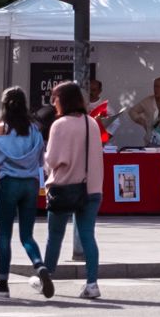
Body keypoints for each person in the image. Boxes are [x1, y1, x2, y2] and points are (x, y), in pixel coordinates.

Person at [39, 80, 106, 300]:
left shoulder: (59, 125)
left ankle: (46, 276)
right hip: (92, 187)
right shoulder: (92, 123)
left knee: (55, 235)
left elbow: (53, 160)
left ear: (63, 100)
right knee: (88, 235)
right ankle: (92, 283)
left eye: (55, 98)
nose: (53, 102)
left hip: (64, 187)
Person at [0, 88, 49, 299]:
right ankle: (39, 267)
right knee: (27, 235)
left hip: (9, 183)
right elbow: (41, 160)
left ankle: (3, 283)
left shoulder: (1, 129)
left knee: (5, 235)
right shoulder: (35, 130)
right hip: (30, 184)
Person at [127, 76, 160, 146]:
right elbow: (132, 111)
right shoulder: (148, 101)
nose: (155, 89)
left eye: (158, 87)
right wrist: (142, 122)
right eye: (154, 86)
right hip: (152, 141)